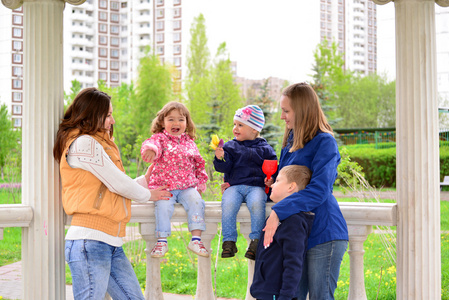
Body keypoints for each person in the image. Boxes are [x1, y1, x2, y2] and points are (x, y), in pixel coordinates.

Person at [53, 88, 172, 300]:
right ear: (92, 113)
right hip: (90, 243)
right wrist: (149, 194)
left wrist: (144, 181)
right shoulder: (83, 143)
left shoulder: (98, 142)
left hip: (111, 243)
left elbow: (110, 186)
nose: (112, 120)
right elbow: (117, 183)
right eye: (108, 115)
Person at [263, 82, 349, 300]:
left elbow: (319, 190)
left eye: (286, 111)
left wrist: (278, 211)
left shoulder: (325, 142)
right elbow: (289, 187)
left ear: (301, 110)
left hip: (323, 233)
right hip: (296, 236)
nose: (282, 116)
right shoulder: (289, 144)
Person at [140, 101, 210, 258]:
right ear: (162, 122)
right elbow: (152, 143)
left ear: (187, 122)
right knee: (163, 207)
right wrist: (151, 150)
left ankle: (196, 239)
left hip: (187, 187)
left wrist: (201, 182)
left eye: (181, 119)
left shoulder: (190, 143)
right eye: (170, 119)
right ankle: (162, 240)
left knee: (197, 201)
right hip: (165, 188)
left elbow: (199, 163)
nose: (176, 123)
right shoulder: (160, 139)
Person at [214, 105, 277, 260]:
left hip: (256, 187)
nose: (235, 128)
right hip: (234, 186)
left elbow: (273, 168)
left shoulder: (266, 149)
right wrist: (220, 158)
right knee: (228, 203)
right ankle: (229, 240)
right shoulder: (230, 146)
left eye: (240, 125)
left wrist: (271, 180)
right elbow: (224, 167)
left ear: (254, 130)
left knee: (257, 203)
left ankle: (256, 240)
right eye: (235, 124)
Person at [250, 165, 315, 300]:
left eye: (278, 181)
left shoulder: (294, 222)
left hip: (278, 295)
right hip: (266, 292)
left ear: (291, 187)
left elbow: (293, 263)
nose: (272, 185)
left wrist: (285, 296)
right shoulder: (277, 218)